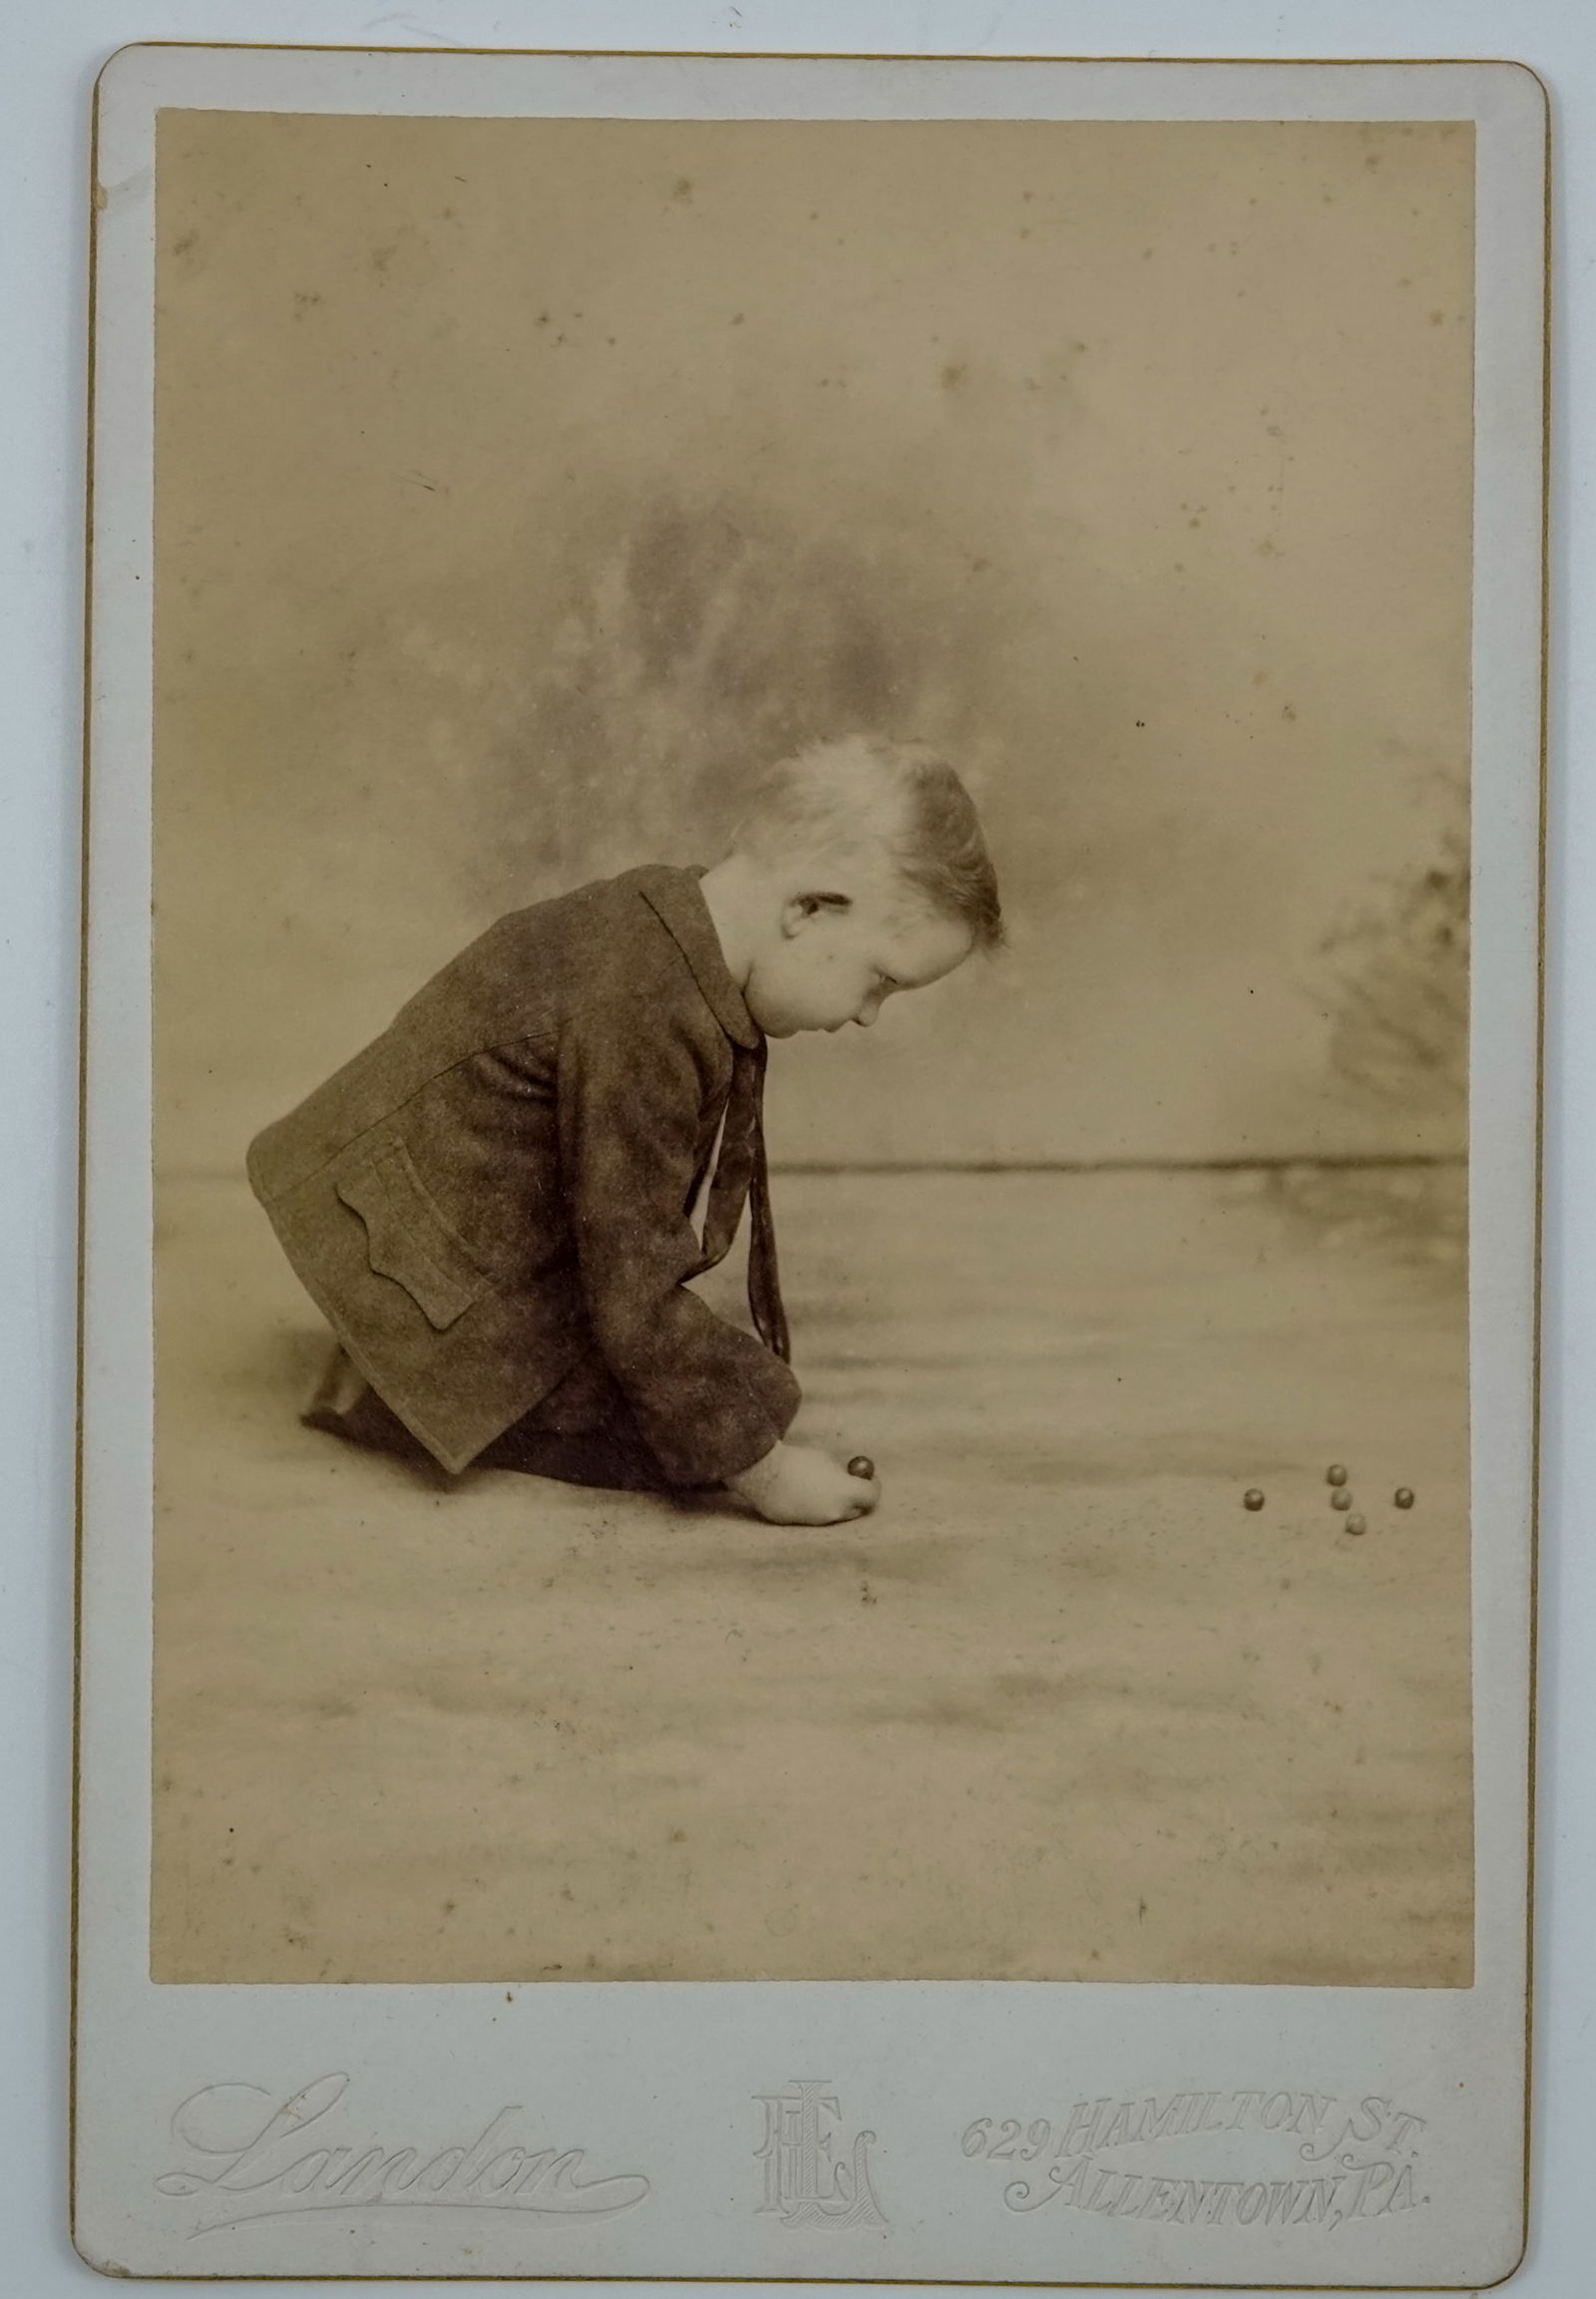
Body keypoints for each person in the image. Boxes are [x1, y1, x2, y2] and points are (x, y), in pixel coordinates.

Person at [246, 733, 1002, 1526]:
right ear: (806, 909)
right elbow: (632, 1281)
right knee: (699, 1424)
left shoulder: (666, 923)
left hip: (410, 1228)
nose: (869, 1015)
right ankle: (389, 1389)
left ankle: (388, 1366)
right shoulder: (642, 1007)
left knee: (741, 1390)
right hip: (409, 1274)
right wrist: (766, 1474)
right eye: (880, 978)